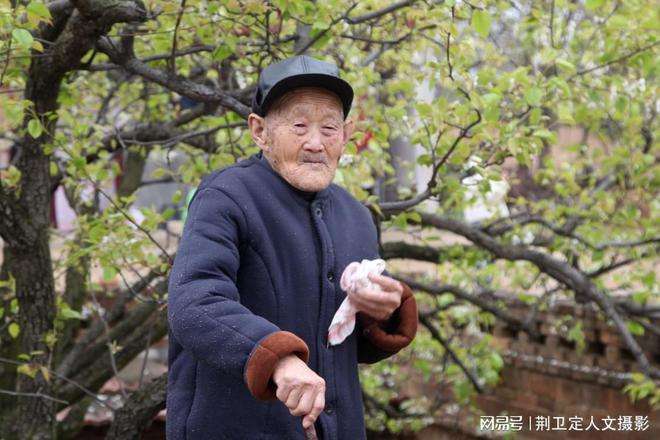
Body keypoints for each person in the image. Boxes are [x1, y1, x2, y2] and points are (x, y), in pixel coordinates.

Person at [166, 55, 418, 440]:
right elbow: (193, 301)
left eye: (329, 127)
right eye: (299, 125)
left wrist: (381, 312)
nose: (315, 143)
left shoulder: (356, 217)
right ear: (259, 131)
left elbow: (340, 342)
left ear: (346, 135)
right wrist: (276, 356)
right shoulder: (227, 196)